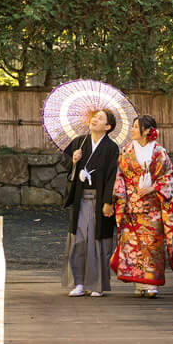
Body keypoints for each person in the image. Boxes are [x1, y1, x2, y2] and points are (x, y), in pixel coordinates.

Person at [110, 114, 173, 297]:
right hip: (131, 206)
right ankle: (139, 282)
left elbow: (169, 175)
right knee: (134, 246)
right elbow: (119, 175)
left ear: (147, 131)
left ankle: (152, 283)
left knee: (152, 246)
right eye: (133, 126)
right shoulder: (126, 151)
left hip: (152, 207)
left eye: (136, 127)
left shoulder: (158, 152)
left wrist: (153, 187)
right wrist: (121, 194)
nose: (132, 129)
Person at [62, 108, 119, 297]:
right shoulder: (80, 142)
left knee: (98, 240)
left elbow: (112, 177)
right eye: (94, 117)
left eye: (100, 118)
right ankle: (78, 282)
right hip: (81, 198)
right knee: (79, 239)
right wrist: (74, 160)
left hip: (99, 199)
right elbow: (64, 164)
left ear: (108, 127)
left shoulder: (112, 148)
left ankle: (97, 285)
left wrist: (108, 202)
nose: (95, 119)